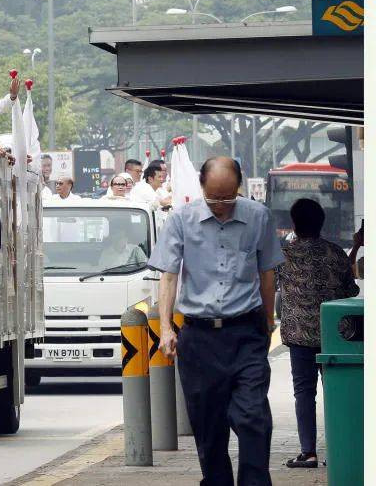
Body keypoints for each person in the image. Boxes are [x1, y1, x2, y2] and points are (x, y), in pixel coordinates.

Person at [149, 157, 284, 486]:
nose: (221, 206)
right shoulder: (182, 218)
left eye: (228, 197)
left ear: (239, 187)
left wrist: (268, 320)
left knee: (253, 416)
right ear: (201, 186)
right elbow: (169, 276)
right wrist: (166, 328)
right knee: (209, 427)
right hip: (199, 337)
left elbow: (267, 273)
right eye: (213, 197)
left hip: (246, 332)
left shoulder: (258, 217)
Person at [276, 198, 359, 469]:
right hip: (334, 336)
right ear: (322, 223)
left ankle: (308, 452)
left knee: (304, 392)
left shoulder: (284, 255)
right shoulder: (335, 253)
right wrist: (357, 245)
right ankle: (343, 447)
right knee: (336, 391)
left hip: (300, 336)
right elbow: (350, 290)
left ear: (295, 224)